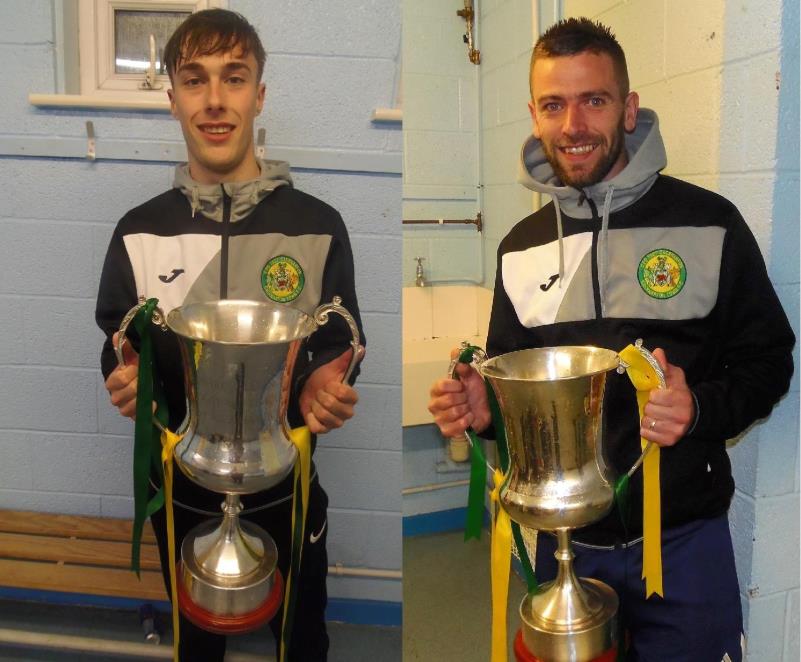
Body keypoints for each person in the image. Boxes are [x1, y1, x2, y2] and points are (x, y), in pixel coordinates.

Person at [428, 17, 794, 662]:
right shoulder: (521, 247)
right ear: (535, 115)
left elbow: (768, 360)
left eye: (593, 100)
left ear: (628, 110)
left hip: (683, 539)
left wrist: (699, 408)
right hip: (564, 545)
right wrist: (486, 414)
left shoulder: (709, 222)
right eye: (554, 104)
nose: (573, 125)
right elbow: (508, 385)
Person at [96, 9, 365, 661]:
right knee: (197, 644)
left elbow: (339, 344)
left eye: (234, 77)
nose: (215, 101)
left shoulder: (317, 225)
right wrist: (122, 376)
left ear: (259, 94)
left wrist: (331, 387)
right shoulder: (139, 231)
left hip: (287, 487)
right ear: (172, 99)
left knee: (301, 640)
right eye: (195, 80)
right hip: (181, 492)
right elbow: (116, 338)